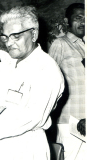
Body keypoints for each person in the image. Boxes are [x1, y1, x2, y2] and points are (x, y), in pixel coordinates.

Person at [0, 6, 64, 160]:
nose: (9, 43)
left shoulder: (47, 69)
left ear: (34, 34)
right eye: (5, 37)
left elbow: (34, 116)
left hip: (27, 148)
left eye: (16, 36)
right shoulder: (9, 63)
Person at [48, 3, 86, 160]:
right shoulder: (60, 44)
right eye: (78, 18)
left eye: (86, 18)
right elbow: (49, 81)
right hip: (71, 123)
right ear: (66, 21)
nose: (83, 22)